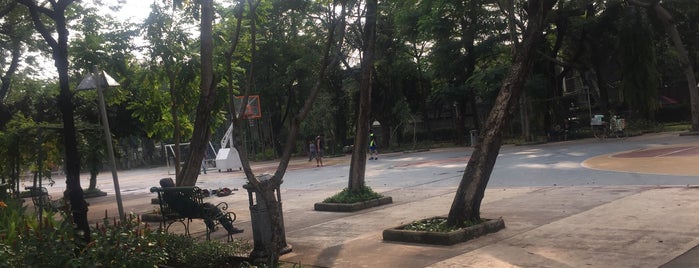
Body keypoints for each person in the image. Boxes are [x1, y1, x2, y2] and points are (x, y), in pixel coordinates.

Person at [159, 178, 243, 234]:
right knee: (213, 209)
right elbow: (188, 203)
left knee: (208, 208)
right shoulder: (175, 193)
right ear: (170, 184)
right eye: (172, 182)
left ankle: (212, 227)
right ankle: (230, 229)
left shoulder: (166, 195)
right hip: (192, 211)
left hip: (185, 211)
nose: (174, 183)